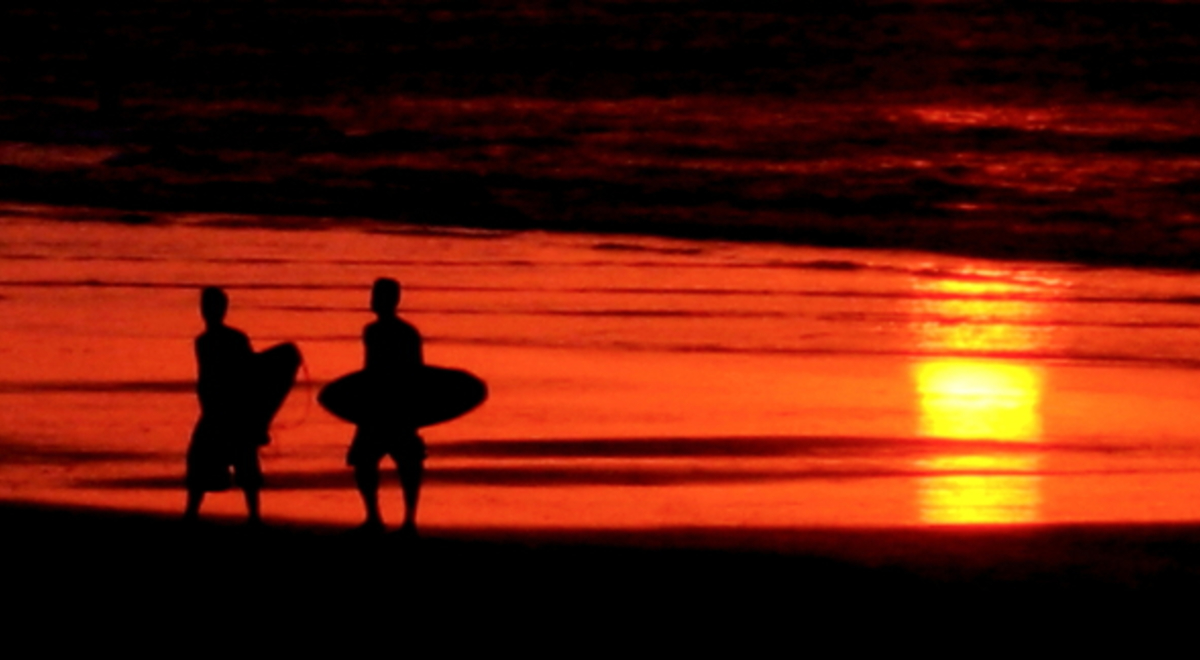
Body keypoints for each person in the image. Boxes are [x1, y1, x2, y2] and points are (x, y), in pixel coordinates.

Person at [348, 277, 427, 535]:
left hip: (394, 404)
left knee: (407, 464)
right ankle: (375, 518)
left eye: (377, 296)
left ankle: (408, 521)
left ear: (391, 300)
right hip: (380, 404)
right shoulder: (372, 331)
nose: (372, 301)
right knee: (365, 462)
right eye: (373, 295)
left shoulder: (405, 333)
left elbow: (415, 371)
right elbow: (369, 370)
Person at [184, 287, 265, 524]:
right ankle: (192, 513)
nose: (206, 311)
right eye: (205, 306)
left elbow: (249, 374)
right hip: (218, 409)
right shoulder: (204, 341)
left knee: (243, 462)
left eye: (210, 306)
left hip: (230, 409)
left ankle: (253, 516)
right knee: (202, 459)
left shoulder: (228, 339)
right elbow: (207, 378)